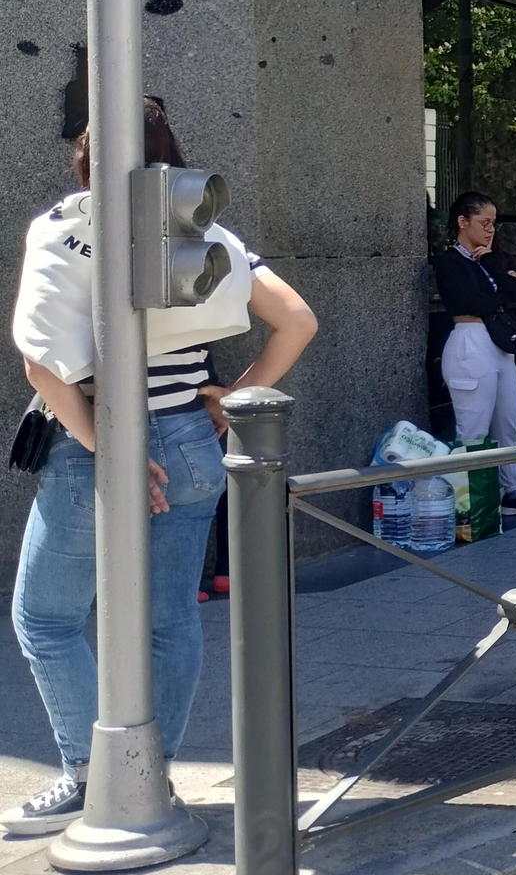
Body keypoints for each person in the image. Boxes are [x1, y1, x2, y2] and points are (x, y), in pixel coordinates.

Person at [5, 98, 318, 833]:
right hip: (190, 442)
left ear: (84, 159)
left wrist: (106, 446)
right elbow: (297, 318)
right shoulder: (200, 230)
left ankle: (91, 778)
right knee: (169, 617)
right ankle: (149, 780)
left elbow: (40, 364)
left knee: (45, 617)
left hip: (95, 442)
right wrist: (230, 399)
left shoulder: (64, 232)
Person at [432, 192, 516, 516]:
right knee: (473, 427)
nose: (491, 231)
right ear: (463, 222)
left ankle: (512, 490)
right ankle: (465, 504)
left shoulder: (489, 259)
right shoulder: (450, 262)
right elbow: (473, 301)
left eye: (494, 224)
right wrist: (500, 287)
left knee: (509, 422)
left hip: (498, 344)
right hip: (470, 341)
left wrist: (495, 275)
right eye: (484, 223)